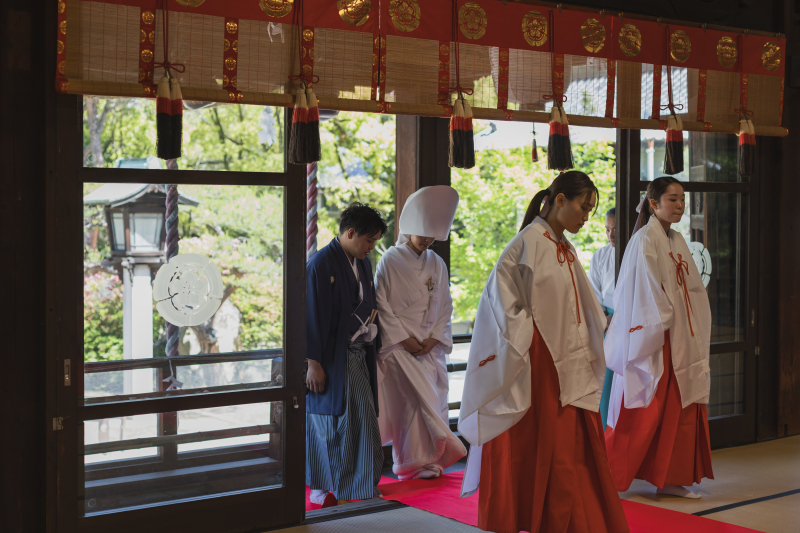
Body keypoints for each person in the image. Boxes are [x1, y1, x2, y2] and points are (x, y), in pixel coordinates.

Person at [458, 172, 629, 533]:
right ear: (561, 199)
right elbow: (499, 306)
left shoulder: (562, 246)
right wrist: (532, 338)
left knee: (572, 444)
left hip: (568, 360)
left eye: (590, 210)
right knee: (541, 443)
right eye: (583, 207)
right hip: (538, 362)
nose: (586, 217)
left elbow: (582, 303)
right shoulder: (528, 243)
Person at [604, 177, 714, 499]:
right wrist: (668, 319)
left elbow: (691, 287)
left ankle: (672, 477)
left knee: (680, 407)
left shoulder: (676, 239)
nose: (679, 206)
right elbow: (643, 290)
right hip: (657, 336)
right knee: (644, 408)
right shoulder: (643, 240)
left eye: (682, 200)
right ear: (653, 204)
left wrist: (688, 318)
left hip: (681, 334)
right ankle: (611, 471)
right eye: (672, 200)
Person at [375, 186, 467, 480]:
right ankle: (410, 463)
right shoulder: (389, 260)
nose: (428, 240)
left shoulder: (436, 263)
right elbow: (381, 305)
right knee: (411, 405)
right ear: (410, 228)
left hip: (428, 346)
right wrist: (405, 339)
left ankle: (432, 461)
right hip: (400, 347)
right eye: (423, 233)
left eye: (432, 235)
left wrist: (433, 340)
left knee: (433, 401)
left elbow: (445, 306)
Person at [305, 203, 387, 508]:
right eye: (368, 240)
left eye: (374, 242)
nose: (371, 247)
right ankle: (322, 484)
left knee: (362, 419)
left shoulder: (362, 263)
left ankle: (358, 483)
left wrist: (371, 338)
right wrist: (313, 362)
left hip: (355, 352)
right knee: (329, 424)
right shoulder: (320, 264)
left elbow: (369, 306)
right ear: (350, 233)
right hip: (328, 358)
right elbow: (312, 317)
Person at [589, 207, 617, 429]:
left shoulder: (635, 253)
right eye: (608, 229)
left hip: (629, 321)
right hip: (606, 321)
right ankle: (604, 433)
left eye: (615, 229)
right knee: (605, 383)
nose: (611, 235)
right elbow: (594, 293)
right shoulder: (600, 255)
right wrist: (603, 317)